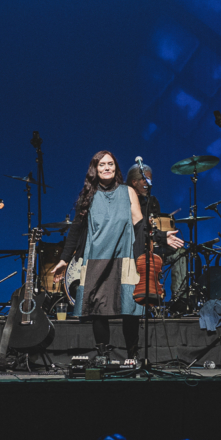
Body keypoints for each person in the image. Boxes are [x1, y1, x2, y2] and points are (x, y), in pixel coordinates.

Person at [50, 152, 148, 366]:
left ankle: (132, 355)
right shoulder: (88, 195)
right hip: (97, 258)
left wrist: (160, 236)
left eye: (110, 164)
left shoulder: (128, 192)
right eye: (102, 164)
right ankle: (103, 355)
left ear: (116, 167)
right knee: (97, 308)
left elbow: (140, 225)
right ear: (95, 168)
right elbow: (75, 230)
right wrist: (64, 259)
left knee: (129, 306)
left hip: (124, 257)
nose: (107, 167)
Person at [123, 162, 185, 300]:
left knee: (181, 253)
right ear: (134, 182)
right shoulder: (125, 200)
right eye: (145, 179)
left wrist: (163, 236)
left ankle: (179, 299)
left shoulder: (153, 201)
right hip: (133, 250)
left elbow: (155, 229)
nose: (148, 183)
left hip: (154, 245)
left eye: (150, 179)